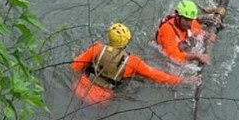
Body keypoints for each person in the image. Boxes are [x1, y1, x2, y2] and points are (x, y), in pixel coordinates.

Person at [71, 22, 199, 104]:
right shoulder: (132, 62)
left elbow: (74, 66)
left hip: (77, 89)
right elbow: (157, 76)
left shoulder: (96, 48)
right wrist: (182, 80)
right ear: (127, 41)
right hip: (101, 100)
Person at [155, 0, 221, 65]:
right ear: (178, 17)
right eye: (186, 19)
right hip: (163, 57)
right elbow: (173, 56)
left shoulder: (190, 23)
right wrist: (196, 56)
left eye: (191, 20)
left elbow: (198, 31)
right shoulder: (167, 30)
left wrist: (207, 35)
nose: (189, 23)